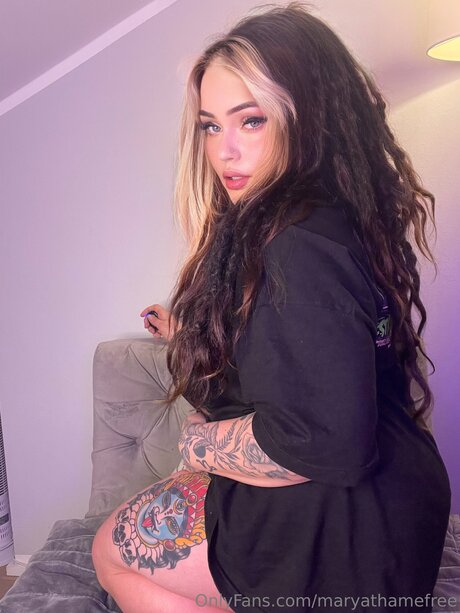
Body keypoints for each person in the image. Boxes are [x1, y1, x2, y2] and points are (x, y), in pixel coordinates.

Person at [92, 3, 451, 612]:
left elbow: (324, 445)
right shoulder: (330, 219)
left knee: (110, 554)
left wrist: (197, 446)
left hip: (352, 531)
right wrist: (190, 331)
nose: (224, 152)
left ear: (307, 118)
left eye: (251, 121)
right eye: (211, 127)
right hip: (397, 510)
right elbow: (309, 345)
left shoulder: (296, 245)